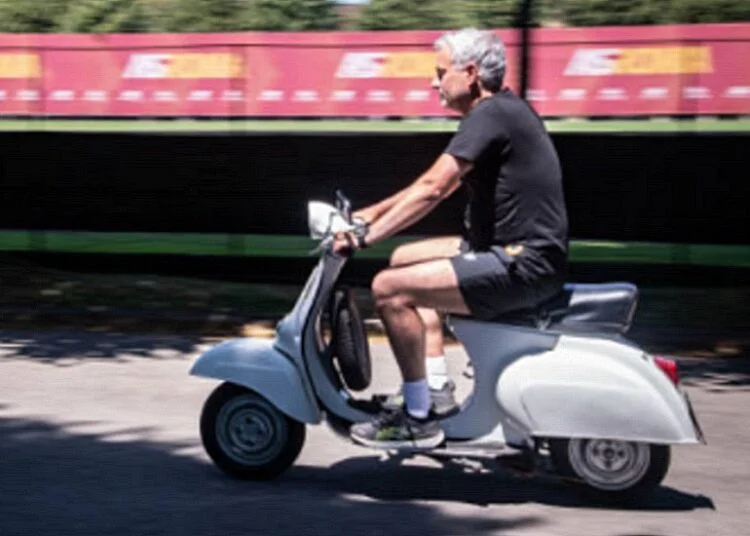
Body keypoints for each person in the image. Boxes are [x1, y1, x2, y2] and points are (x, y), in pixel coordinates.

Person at [332, 27, 569, 449]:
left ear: (471, 72)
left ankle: (417, 417)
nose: (433, 82)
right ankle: (436, 389)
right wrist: (372, 214)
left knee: (389, 289)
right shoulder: (501, 112)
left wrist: (362, 239)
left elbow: (434, 189)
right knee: (404, 260)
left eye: (440, 72)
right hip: (505, 252)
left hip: (523, 264)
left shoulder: (491, 115)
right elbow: (431, 182)